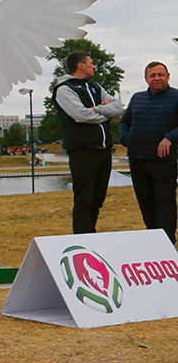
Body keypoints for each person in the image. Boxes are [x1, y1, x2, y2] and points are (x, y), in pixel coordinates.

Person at [52, 50, 124, 235]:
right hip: (83, 151)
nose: (94, 66)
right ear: (80, 65)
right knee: (84, 198)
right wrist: (104, 114)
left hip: (103, 150)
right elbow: (81, 115)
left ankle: (91, 234)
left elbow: (117, 107)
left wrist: (98, 109)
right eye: (91, 63)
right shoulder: (64, 89)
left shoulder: (95, 87)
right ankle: (83, 240)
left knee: (98, 198)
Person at [119, 61, 178, 244]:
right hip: (137, 159)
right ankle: (153, 239)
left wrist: (169, 137)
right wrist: (126, 139)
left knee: (164, 202)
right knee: (146, 203)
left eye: (160, 74)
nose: (157, 78)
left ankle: (167, 242)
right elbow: (124, 122)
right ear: (146, 79)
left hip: (163, 161)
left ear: (168, 76)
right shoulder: (137, 98)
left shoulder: (176, 97)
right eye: (152, 75)